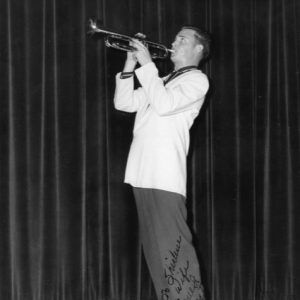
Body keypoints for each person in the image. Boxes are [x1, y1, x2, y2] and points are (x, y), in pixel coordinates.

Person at [113, 25, 211, 300]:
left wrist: (146, 65)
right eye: (175, 37)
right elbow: (124, 102)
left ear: (199, 49)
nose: (174, 41)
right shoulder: (164, 78)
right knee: (157, 256)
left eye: (183, 39)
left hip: (164, 175)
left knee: (175, 252)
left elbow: (164, 104)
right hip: (142, 172)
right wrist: (131, 62)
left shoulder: (196, 80)